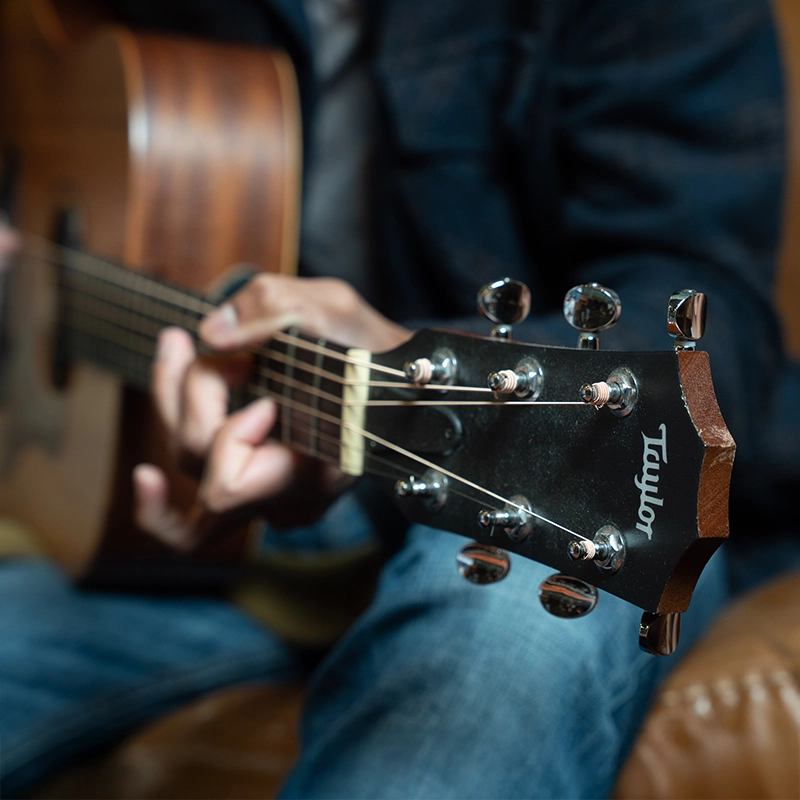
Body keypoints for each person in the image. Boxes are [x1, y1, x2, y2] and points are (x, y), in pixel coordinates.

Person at [0, 0, 790, 797]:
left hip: (554, 499)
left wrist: (395, 361)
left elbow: (708, 323)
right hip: (225, 551)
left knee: (498, 645)